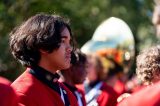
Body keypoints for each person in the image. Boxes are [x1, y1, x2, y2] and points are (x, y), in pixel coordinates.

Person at [10, 13, 78, 106]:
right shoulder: (22, 93)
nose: (69, 48)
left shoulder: (67, 93)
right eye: (63, 41)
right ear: (43, 46)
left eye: (69, 41)